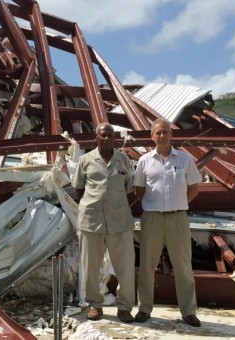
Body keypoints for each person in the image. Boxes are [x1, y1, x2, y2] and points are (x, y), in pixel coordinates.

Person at [133, 117, 202, 327]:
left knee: (183, 266)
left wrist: (179, 203)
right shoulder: (145, 161)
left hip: (177, 218)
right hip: (152, 218)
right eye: (157, 133)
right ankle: (144, 308)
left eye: (165, 132)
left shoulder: (184, 159)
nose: (161, 136)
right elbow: (138, 190)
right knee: (147, 265)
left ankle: (188, 311)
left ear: (171, 135)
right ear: (152, 136)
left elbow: (194, 187)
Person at [72, 122, 136, 323]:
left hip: (119, 222)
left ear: (115, 138)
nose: (106, 138)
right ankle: (94, 304)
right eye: (103, 135)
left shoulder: (124, 160)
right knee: (91, 266)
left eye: (110, 135)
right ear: (96, 137)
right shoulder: (85, 160)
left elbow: (129, 188)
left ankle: (124, 307)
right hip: (92, 221)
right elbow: (79, 190)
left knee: (124, 267)